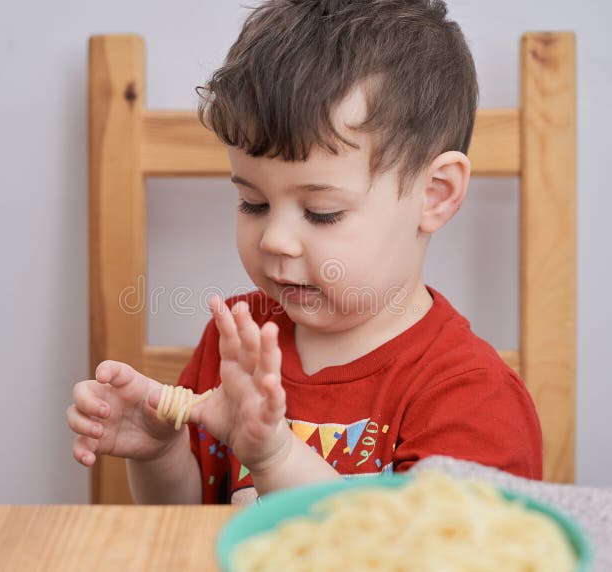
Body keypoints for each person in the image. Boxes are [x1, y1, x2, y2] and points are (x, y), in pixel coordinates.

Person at [67, 0, 542, 505]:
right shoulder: (239, 341)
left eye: (321, 212)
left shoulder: (471, 398)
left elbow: (410, 551)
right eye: (253, 203)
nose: (274, 239)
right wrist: (161, 454)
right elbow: (188, 525)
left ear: (435, 194)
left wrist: (275, 457)